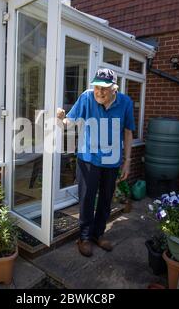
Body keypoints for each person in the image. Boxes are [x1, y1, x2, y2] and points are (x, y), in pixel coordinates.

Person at [57, 68, 135, 257]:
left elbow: (128, 132)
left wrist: (127, 161)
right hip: (88, 158)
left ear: (114, 89)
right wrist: (61, 119)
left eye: (104, 88)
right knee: (87, 198)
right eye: (97, 87)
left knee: (106, 199)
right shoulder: (86, 97)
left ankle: (98, 234)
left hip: (112, 160)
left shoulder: (125, 103)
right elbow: (70, 122)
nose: (99, 92)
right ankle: (84, 237)